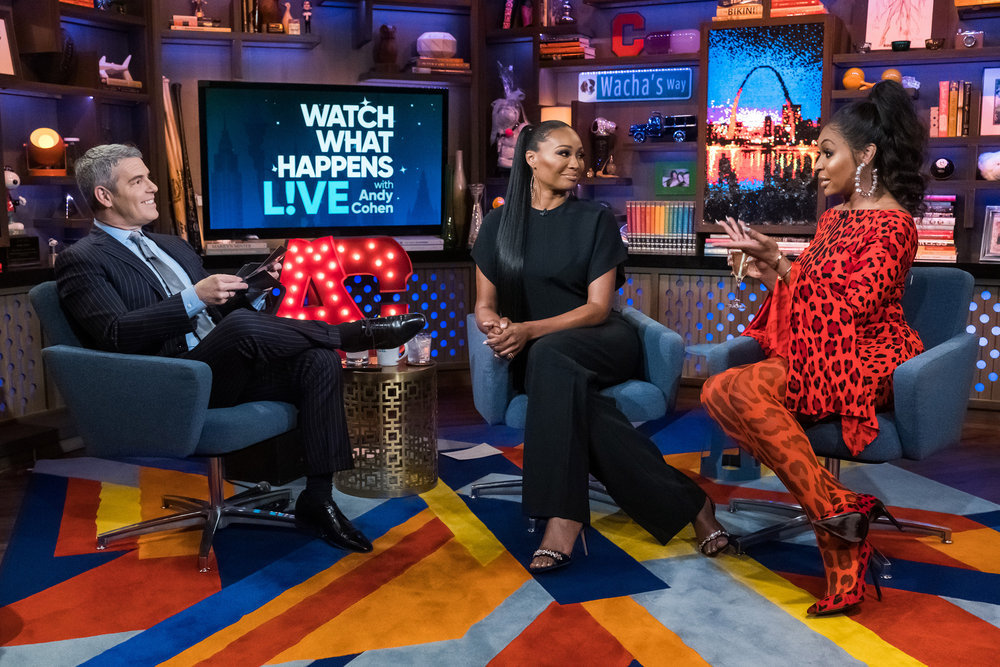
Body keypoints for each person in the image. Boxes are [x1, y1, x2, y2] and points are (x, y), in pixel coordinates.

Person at [56, 144, 426, 554]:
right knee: (246, 328)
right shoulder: (82, 259)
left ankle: (318, 500)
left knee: (317, 360)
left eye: (149, 176)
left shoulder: (173, 246)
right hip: (166, 383)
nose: (154, 187)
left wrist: (254, 286)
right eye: (138, 180)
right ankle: (356, 335)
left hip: (220, 370)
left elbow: (217, 312)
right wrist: (194, 296)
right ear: (105, 197)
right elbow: (114, 333)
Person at [701, 80, 926, 616]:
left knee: (742, 388)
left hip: (867, 356)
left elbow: (849, 308)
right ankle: (839, 511)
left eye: (828, 153)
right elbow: (811, 296)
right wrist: (769, 274)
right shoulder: (835, 217)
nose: (816, 165)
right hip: (822, 349)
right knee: (715, 389)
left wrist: (783, 264)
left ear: (866, 155)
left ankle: (837, 543)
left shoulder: (896, 227)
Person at [471, 120, 729, 573]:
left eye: (580, 155)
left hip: (600, 342)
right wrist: (494, 327)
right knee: (565, 384)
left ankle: (564, 516)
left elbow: (596, 309)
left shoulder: (595, 219)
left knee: (550, 356)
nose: (577, 164)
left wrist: (529, 330)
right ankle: (691, 503)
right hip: (538, 353)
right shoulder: (498, 225)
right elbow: (485, 305)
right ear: (531, 159)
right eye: (564, 154)